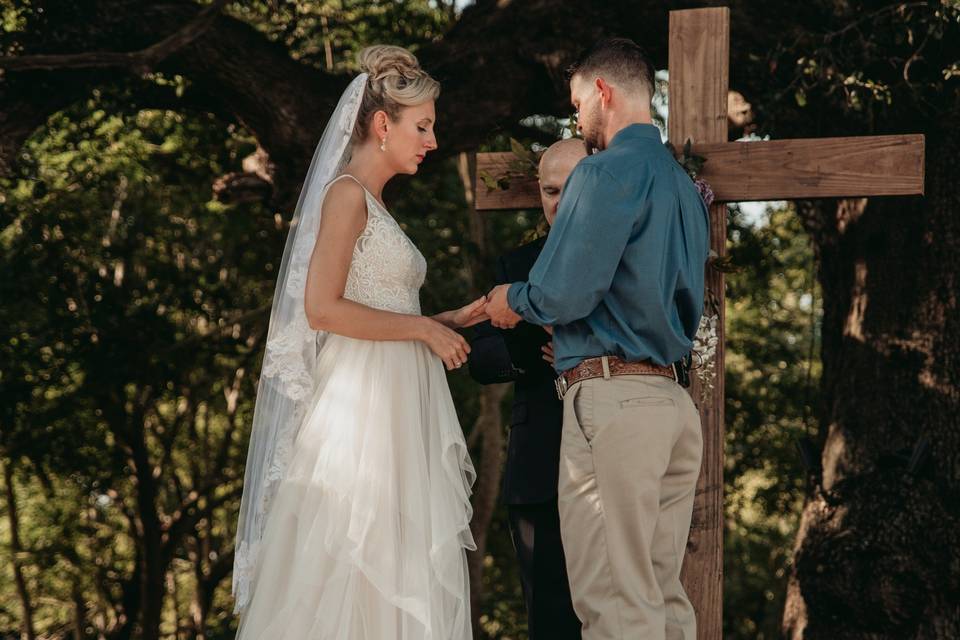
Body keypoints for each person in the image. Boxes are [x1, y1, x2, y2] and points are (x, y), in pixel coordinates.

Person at [232, 45, 485, 640]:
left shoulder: (375, 206)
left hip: (396, 404)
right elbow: (322, 309)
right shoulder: (345, 195)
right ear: (381, 124)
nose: (431, 140)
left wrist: (443, 318)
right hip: (360, 412)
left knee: (391, 561)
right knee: (351, 556)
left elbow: (378, 310)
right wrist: (420, 327)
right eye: (421, 126)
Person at [485, 38, 710, 640]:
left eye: (579, 103)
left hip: (614, 405)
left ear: (603, 94)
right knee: (662, 603)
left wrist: (514, 300)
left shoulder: (605, 172)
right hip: (672, 407)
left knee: (613, 605)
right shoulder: (683, 187)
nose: (578, 120)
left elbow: (563, 293)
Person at [467, 139, 587, 640]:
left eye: (572, 187)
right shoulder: (516, 265)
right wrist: (530, 347)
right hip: (540, 462)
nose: (559, 202)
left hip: (617, 457)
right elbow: (480, 356)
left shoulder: (632, 260)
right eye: (550, 190)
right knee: (551, 619)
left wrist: (591, 354)